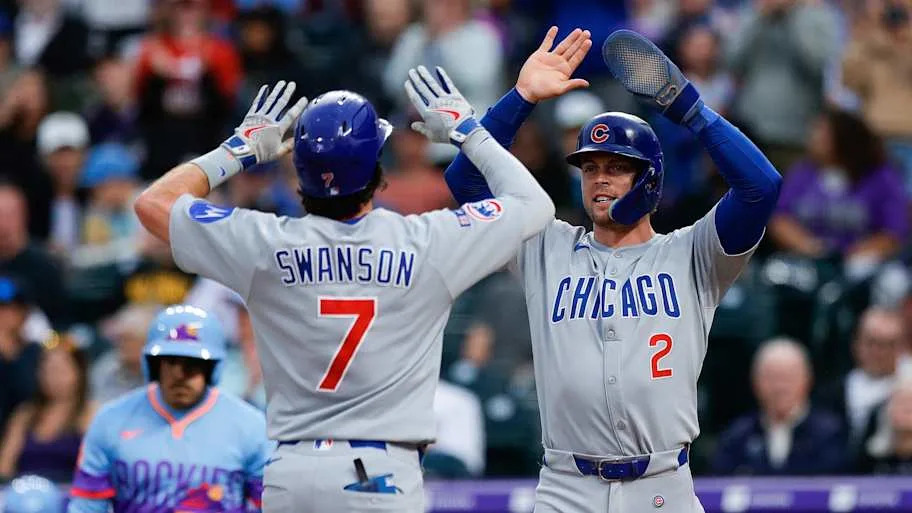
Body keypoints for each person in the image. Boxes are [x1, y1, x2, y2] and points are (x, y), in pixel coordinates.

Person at [131, 19, 562, 506]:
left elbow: (152, 204)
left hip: (290, 471)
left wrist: (239, 149)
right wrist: (467, 131)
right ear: (378, 171)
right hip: (380, 471)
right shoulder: (427, 241)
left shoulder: (261, 242)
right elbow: (535, 205)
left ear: (300, 171)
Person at [444, 27, 781, 512]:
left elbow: (761, 187)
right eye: (590, 167)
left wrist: (690, 110)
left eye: (617, 166)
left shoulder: (693, 253)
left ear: (649, 179)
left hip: (663, 485)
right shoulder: (544, 245)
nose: (600, 178)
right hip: (566, 486)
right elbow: (465, 177)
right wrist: (521, 98)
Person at [67, 304, 271, 512]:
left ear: (212, 368)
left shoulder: (250, 425)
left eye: (192, 363)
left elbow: (269, 506)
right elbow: (87, 505)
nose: (179, 375)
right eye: (170, 362)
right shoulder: (111, 420)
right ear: (154, 365)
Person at [712, 338, 846, 475]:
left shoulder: (829, 434)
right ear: (755, 382)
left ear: (808, 380)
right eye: (772, 377)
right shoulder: (738, 436)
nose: (780, 387)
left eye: (788, 377)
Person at [0, 333, 96, 482]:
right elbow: (5, 466)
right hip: (24, 493)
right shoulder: (25, 414)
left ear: (79, 373)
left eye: (60, 371)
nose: (52, 378)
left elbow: (98, 467)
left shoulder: (91, 413)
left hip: (73, 494)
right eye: (46, 371)